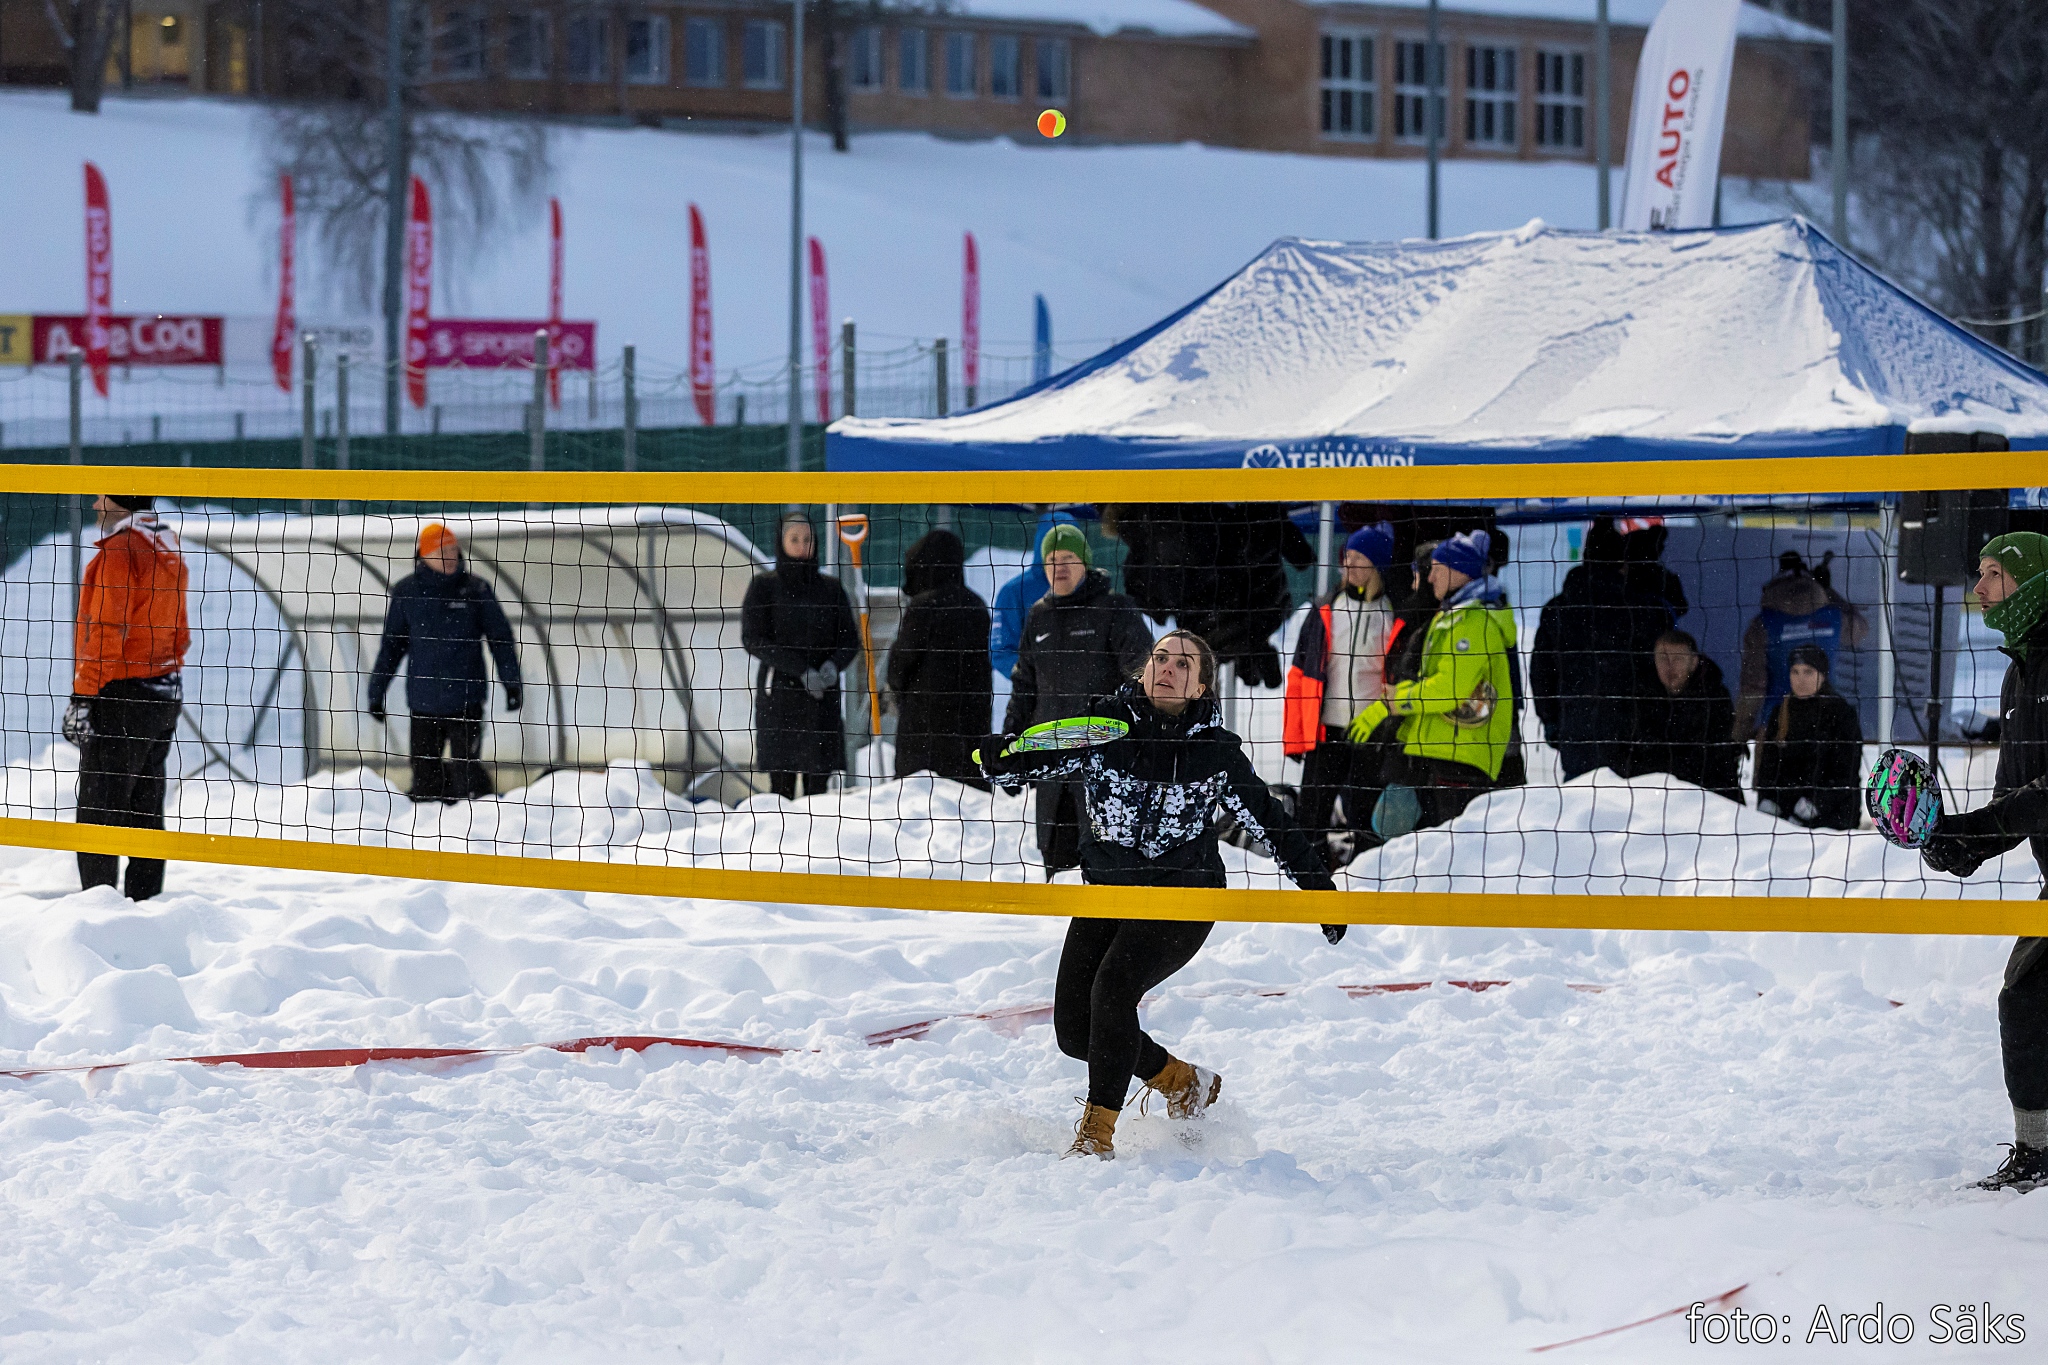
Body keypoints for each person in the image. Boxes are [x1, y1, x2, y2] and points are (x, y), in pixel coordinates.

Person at [980, 630, 1338, 1161]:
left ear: (1200, 688)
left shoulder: (1214, 753)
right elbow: (1033, 759)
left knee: (1112, 991)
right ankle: (1181, 1080)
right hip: (1109, 897)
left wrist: (1321, 894)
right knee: (1075, 1033)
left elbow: (1272, 824)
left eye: (1183, 664)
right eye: (1160, 657)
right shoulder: (1103, 729)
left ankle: (1096, 1135)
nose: (1167, 668)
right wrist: (1000, 758)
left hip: (1182, 901)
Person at [1917, 532, 2048, 1190]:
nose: (1980, 588)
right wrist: (1957, 842)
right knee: (2025, 1001)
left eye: (1995, 573)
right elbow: (2013, 799)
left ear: (2035, 581)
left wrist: (1975, 828)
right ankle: (2038, 1150)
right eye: (1980, 572)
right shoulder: (2016, 675)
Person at [1004, 522, 1152, 878]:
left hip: (1105, 767)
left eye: (1068, 558)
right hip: (1052, 767)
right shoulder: (1038, 615)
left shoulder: (1115, 609)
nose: (1060, 567)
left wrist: (1139, 738)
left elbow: (1142, 676)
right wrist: (1010, 745)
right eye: (1052, 560)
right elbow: (1024, 686)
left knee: (1105, 868)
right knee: (1057, 870)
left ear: (1085, 563)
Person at [1347, 530, 1516, 835]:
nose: (1429, 578)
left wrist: (1396, 701)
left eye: (1436, 568)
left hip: (1460, 755)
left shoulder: (1475, 621)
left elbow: (1448, 690)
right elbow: (1430, 682)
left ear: (1458, 571)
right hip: (1438, 750)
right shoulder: (1451, 616)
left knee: (1447, 845)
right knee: (1398, 833)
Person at [66, 494, 189, 900]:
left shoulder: (120, 550)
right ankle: (146, 906)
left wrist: (83, 696)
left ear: (121, 499)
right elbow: (180, 629)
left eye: (103, 496)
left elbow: (105, 630)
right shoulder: (165, 542)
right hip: (161, 690)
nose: (95, 505)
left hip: (121, 693)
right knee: (145, 809)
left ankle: (98, 912)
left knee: (99, 811)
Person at [368, 523, 524, 804]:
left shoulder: (475, 589)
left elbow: (500, 639)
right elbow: (392, 646)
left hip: (466, 701)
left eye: (453, 550)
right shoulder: (407, 592)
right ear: (424, 556)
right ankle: (424, 828)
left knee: (467, 778)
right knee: (425, 781)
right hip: (423, 703)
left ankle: (469, 825)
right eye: (441, 552)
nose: (450, 557)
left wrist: (512, 684)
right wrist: (376, 692)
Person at [1531, 516, 1673, 782]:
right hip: (1633, 736)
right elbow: (1658, 672)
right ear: (1623, 563)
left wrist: (1551, 720)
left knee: (1580, 801)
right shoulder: (1645, 609)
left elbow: (1541, 673)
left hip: (1577, 731)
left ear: (1585, 559)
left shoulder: (1557, 609)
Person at [1285, 523, 1397, 858]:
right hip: (1325, 730)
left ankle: (1364, 875)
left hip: (1372, 730)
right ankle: (1312, 873)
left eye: (1358, 558)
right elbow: (1300, 675)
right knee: (1312, 815)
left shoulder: (1393, 613)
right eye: (1347, 556)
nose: (1348, 564)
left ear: (1377, 565)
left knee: (1365, 817)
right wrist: (1296, 736)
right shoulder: (1324, 609)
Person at [740, 511, 863, 800]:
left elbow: (849, 640)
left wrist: (832, 666)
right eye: (794, 539)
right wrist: (800, 670)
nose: (801, 545)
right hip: (779, 697)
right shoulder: (764, 586)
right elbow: (753, 639)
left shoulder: (831, 589)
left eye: (807, 539)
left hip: (822, 701)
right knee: (781, 788)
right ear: (781, 542)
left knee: (818, 790)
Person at [886, 528, 993, 787]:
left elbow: (901, 662)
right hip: (969, 725)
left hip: (924, 730)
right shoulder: (976, 605)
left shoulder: (924, 606)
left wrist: (896, 689)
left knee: (920, 798)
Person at [1735, 549, 1868, 740]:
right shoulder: (1835, 617)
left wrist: (1739, 733)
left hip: (1777, 726)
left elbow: (1753, 685)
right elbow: (1861, 630)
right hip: (1825, 723)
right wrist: (1828, 591)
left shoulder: (1763, 624)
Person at [1751, 644, 1861, 830]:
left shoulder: (1841, 714)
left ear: (1823, 675)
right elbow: (1768, 766)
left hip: (1834, 817)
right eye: (1795, 672)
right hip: (1784, 815)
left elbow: (1845, 773)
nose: (1800, 679)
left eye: (1808, 672)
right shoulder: (1781, 712)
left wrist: (1815, 804)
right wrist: (1768, 799)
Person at [1629, 629, 1744, 803]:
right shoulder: (1639, 696)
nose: (1669, 666)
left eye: (1678, 659)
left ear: (1694, 662)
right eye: (1663, 658)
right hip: (1650, 794)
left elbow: (1709, 758)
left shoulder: (1715, 697)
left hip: (1710, 795)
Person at [990, 509, 1080, 680]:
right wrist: (1035, 680)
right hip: (1035, 692)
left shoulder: (1091, 588)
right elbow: (1001, 652)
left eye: (1068, 552)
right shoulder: (1014, 591)